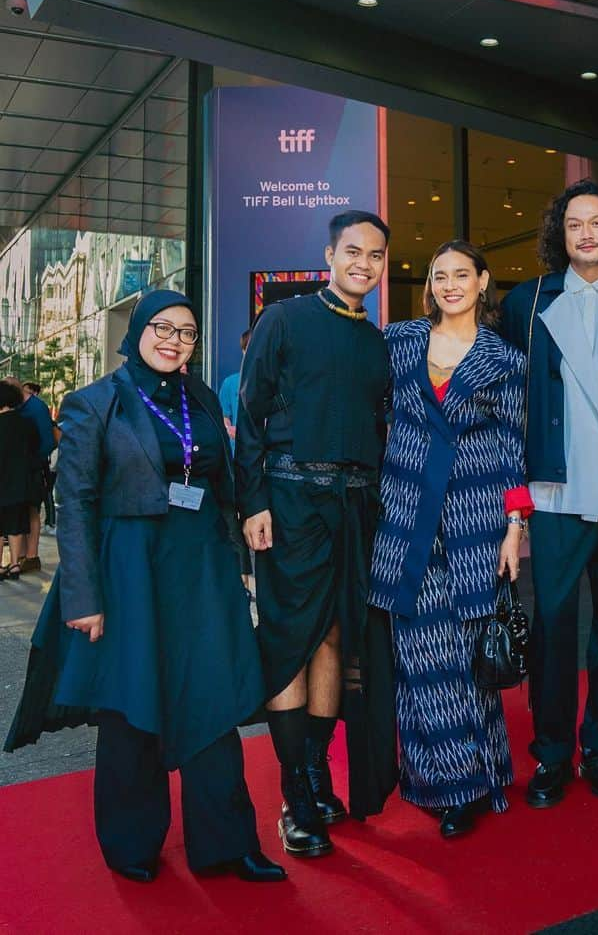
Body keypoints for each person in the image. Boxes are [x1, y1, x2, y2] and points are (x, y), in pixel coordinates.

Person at [4, 290, 283, 884]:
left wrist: (236, 558)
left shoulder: (201, 397)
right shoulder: (94, 402)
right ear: (136, 330)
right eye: (162, 327)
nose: (173, 339)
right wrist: (82, 597)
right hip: (128, 569)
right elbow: (75, 504)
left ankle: (228, 844)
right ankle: (132, 845)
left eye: (186, 332)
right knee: (132, 706)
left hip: (202, 567)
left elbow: (223, 480)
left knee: (215, 698)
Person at [236, 210, 397, 859]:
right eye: (353, 250)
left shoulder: (376, 342)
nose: (364, 262)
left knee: (337, 636)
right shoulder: (285, 318)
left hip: (356, 505)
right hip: (292, 501)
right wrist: (254, 501)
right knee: (289, 642)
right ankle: (294, 794)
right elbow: (248, 413)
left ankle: (315, 768)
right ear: (330, 254)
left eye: (376, 254)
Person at [371, 240, 531, 838]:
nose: (449, 284)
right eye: (440, 275)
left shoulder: (505, 360)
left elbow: (518, 451)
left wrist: (514, 530)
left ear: (483, 280)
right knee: (420, 659)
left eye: (462, 274)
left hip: (474, 523)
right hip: (405, 518)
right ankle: (444, 783)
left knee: (470, 658)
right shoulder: (398, 341)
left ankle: (478, 775)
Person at [501, 180, 598, 807]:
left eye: (597, 222)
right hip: (555, 496)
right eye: (573, 224)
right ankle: (553, 753)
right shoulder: (524, 303)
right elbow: (506, 405)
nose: (586, 233)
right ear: (558, 236)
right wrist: (513, 506)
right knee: (553, 629)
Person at [14, 379, 58, 571]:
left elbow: (49, 441)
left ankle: (31, 556)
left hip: (33, 468)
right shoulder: (20, 408)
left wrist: (34, 461)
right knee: (21, 510)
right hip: (21, 468)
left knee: (32, 508)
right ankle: (22, 555)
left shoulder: (36, 408)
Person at [0, 380, 39, 580]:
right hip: (19, 482)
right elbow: (35, 450)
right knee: (15, 525)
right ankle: (15, 565)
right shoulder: (26, 423)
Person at [218, 329, 251, 452]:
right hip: (237, 452)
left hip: (269, 456)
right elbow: (223, 416)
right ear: (243, 351)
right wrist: (229, 429)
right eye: (250, 347)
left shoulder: (276, 382)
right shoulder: (230, 382)